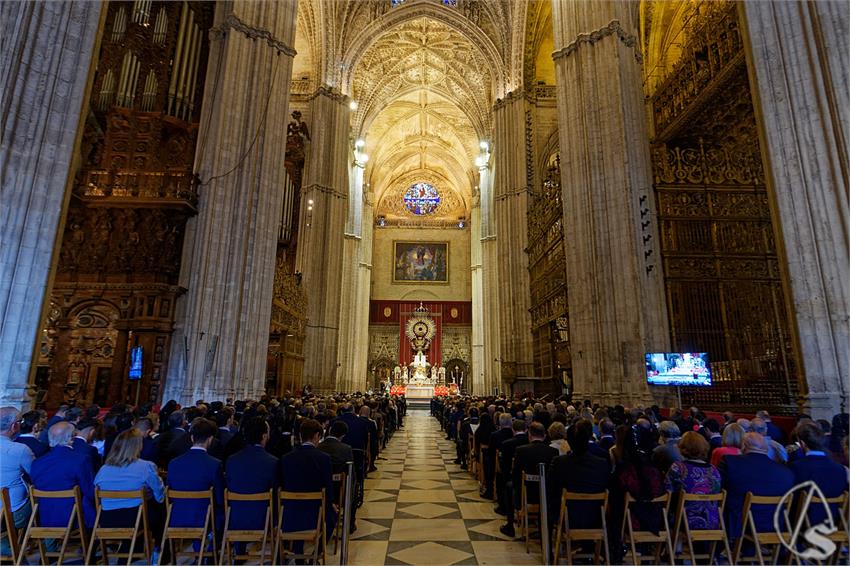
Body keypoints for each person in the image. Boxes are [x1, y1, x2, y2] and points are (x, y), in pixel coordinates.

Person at [93, 428, 165, 543]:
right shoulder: (146, 466)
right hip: (135, 518)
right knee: (160, 509)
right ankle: (160, 550)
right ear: (137, 446)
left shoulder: (104, 469)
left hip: (107, 518)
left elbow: (96, 486)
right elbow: (160, 495)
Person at [719, 432, 794, 541]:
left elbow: (719, 489)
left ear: (744, 445)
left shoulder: (730, 463)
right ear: (766, 449)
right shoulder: (786, 473)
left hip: (737, 525)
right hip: (774, 525)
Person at [279, 419, 336, 553]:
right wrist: (331, 503)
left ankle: (298, 553)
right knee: (332, 519)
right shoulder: (323, 458)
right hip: (315, 511)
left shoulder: (286, 458)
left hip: (290, 512)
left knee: (297, 519)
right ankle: (316, 554)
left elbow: (281, 484)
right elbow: (327, 486)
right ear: (317, 436)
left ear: (300, 436)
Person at [547, 419, 610, 535]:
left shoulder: (559, 462)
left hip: (567, 517)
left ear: (569, 441)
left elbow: (551, 489)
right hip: (596, 518)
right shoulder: (602, 463)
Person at [30, 422, 97, 530]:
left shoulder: (37, 463)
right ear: (71, 438)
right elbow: (90, 491)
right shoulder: (80, 459)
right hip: (75, 517)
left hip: (45, 518)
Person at [167, 418, 225, 533]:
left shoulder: (173, 463)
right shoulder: (214, 464)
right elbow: (219, 498)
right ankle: (213, 545)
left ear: (192, 438)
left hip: (176, 516)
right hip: (205, 518)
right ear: (210, 439)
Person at [225, 416, 279, 536]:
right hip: (263, 519)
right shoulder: (272, 462)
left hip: (235, 518)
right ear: (264, 436)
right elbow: (276, 492)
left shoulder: (231, 460)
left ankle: (239, 548)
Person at [502, 422, 557, 537]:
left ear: (530, 435)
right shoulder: (553, 452)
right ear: (545, 436)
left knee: (508, 486)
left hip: (526, 493)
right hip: (546, 495)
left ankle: (510, 524)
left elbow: (516, 474)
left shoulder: (521, 450)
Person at [788, 421, 849, 525]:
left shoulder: (796, 467)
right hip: (833, 522)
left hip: (804, 523)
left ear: (802, 443)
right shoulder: (841, 469)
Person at [665, 431, 721, 531]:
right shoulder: (714, 470)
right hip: (711, 521)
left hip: (683, 520)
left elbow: (668, 492)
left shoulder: (678, 468)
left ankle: (675, 545)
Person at [0, 407, 34, 557]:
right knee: (37, 501)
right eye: (20, 422)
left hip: (6, 510)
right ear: (14, 426)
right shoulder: (20, 450)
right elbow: (35, 473)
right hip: (11, 513)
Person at [496, 419, 528, 516]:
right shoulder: (528, 441)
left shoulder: (507, 443)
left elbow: (503, 463)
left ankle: (503, 507)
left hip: (512, 476)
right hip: (528, 478)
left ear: (513, 430)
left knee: (500, 476)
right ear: (526, 430)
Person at [485, 413, 514, 500]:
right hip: (512, 464)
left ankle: (489, 490)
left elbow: (490, 452)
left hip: (499, 464)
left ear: (500, 422)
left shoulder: (495, 435)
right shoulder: (513, 434)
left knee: (488, 461)